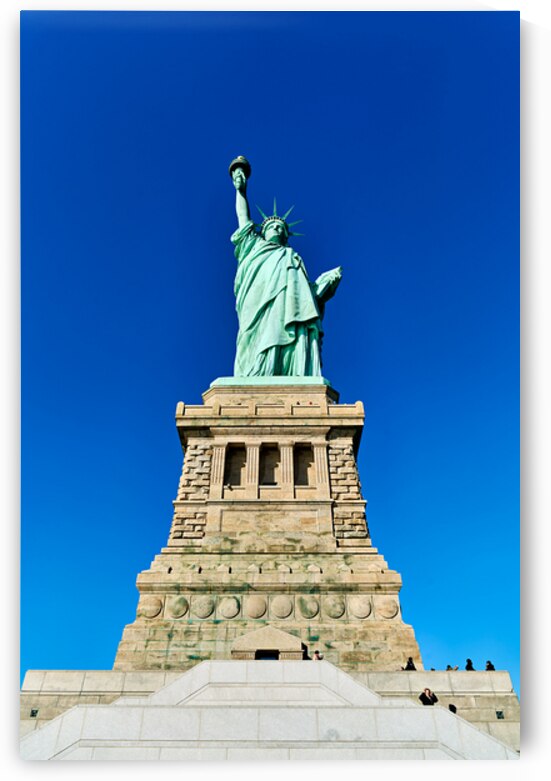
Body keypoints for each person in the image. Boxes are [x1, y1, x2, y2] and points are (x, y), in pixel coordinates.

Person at [230, 157, 342, 377]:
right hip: (257, 304)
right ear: (263, 231)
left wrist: (322, 287)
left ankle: (290, 372)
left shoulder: (292, 257)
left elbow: (305, 301)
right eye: (273, 226)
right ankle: (256, 374)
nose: (278, 230)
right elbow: (243, 217)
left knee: (289, 327)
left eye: (282, 228)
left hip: (286, 308)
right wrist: (241, 191)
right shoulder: (253, 245)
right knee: (254, 338)